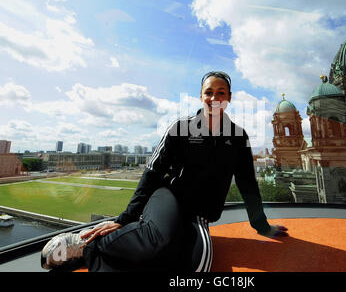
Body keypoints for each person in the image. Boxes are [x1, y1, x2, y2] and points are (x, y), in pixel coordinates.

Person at [41, 71, 288, 272]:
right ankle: (85, 245)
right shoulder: (180, 128)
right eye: (209, 92)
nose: (214, 98)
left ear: (229, 98)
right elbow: (152, 172)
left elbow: (247, 183)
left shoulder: (238, 137)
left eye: (220, 93)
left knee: (195, 267)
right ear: (201, 96)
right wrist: (125, 218)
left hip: (200, 213)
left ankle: (100, 257)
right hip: (168, 197)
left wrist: (261, 225)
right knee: (160, 241)